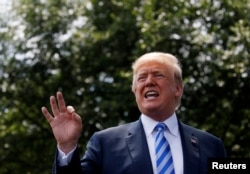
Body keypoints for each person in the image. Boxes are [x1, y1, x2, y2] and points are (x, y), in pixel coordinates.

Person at [42, 52, 227, 174]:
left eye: (158, 75)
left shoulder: (211, 145)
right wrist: (66, 147)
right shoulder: (105, 143)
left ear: (177, 89)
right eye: (141, 78)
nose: (149, 82)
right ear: (135, 90)